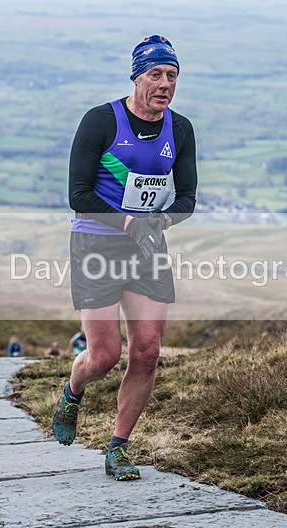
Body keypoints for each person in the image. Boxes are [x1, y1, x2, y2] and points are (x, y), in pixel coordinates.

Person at [53, 35, 197, 482]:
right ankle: (74, 389)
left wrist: (160, 223)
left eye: (172, 76)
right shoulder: (101, 121)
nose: (165, 84)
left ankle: (118, 447)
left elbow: (187, 198)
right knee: (103, 356)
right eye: (156, 74)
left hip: (147, 246)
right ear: (136, 76)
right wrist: (129, 223)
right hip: (97, 243)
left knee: (149, 350)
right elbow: (78, 195)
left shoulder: (181, 129)